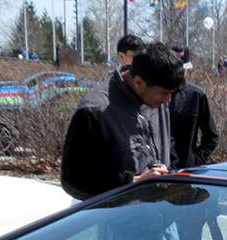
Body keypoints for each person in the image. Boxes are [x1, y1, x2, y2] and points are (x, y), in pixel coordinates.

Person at [60, 42, 184, 201]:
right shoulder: (95, 110)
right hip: (117, 213)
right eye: (164, 93)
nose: (168, 100)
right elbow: (74, 179)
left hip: (160, 209)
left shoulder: (155, 94)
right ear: (138, 82)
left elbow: (166, 145)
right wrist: (133, 182)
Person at [167, 43, 219, 170]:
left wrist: (194, 161)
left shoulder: (196, 95)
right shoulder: (149, 93)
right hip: (157, 171)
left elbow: (211, 137)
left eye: (181, 69)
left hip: (185, 170)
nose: (176, 74)